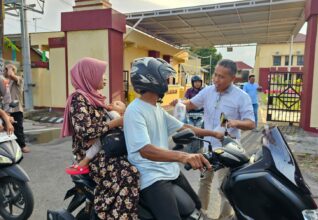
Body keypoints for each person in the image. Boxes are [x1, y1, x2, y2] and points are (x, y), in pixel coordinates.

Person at [123, 57, 224, 220]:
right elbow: (146, 150)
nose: (167, 81)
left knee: (196, 205)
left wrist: (214, 134)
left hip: (168, 170)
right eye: (164, 77)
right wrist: (184, 156)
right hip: (151, 175)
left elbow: (185, 127)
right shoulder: (134, 111)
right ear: (151, 79)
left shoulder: (156, 108)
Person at [172, 59, 255, 219]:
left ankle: (225, 217)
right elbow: (191, 104)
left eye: (221, 77)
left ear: (232, 79)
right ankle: (201, 213)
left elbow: (251, 123)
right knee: (204, 181)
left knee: (225, 187)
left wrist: (236, 122)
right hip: (208, 147)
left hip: (228, 150)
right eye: (215, 75)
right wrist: (180, 103)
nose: (216, 79)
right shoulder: (208, 91)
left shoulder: (241, 97)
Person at [61, 57, 139, 220]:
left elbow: (102, 124)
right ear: (89, 76)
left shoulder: (95, 97)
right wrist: (114, 123)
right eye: (101, 74)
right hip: (90, 154)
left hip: (106, 147)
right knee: (128, 172)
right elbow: (86, 131)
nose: (104, 77)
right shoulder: (78, 98)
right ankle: (108, 214)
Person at [65, 102, 125, 175]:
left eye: (117, 104)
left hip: (109, 138)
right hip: (110, 137)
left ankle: (84, 163)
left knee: (96, 145)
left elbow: (111, 124)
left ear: (122, 112)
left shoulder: (114, 113)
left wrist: (95, 136)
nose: (113, 103)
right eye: (113, 102)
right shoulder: (110, 113)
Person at [0, 64, 29, 153]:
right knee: (5, 129)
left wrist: (10, 68)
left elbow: (11, 75)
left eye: (8, 69)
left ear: (14, 70)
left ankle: (22, 146)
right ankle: (9, 148)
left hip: (16, 109)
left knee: (18, 128)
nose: (6, 70)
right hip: (5, 109)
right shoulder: (3, 81)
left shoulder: (19, 79)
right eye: (5, 69)